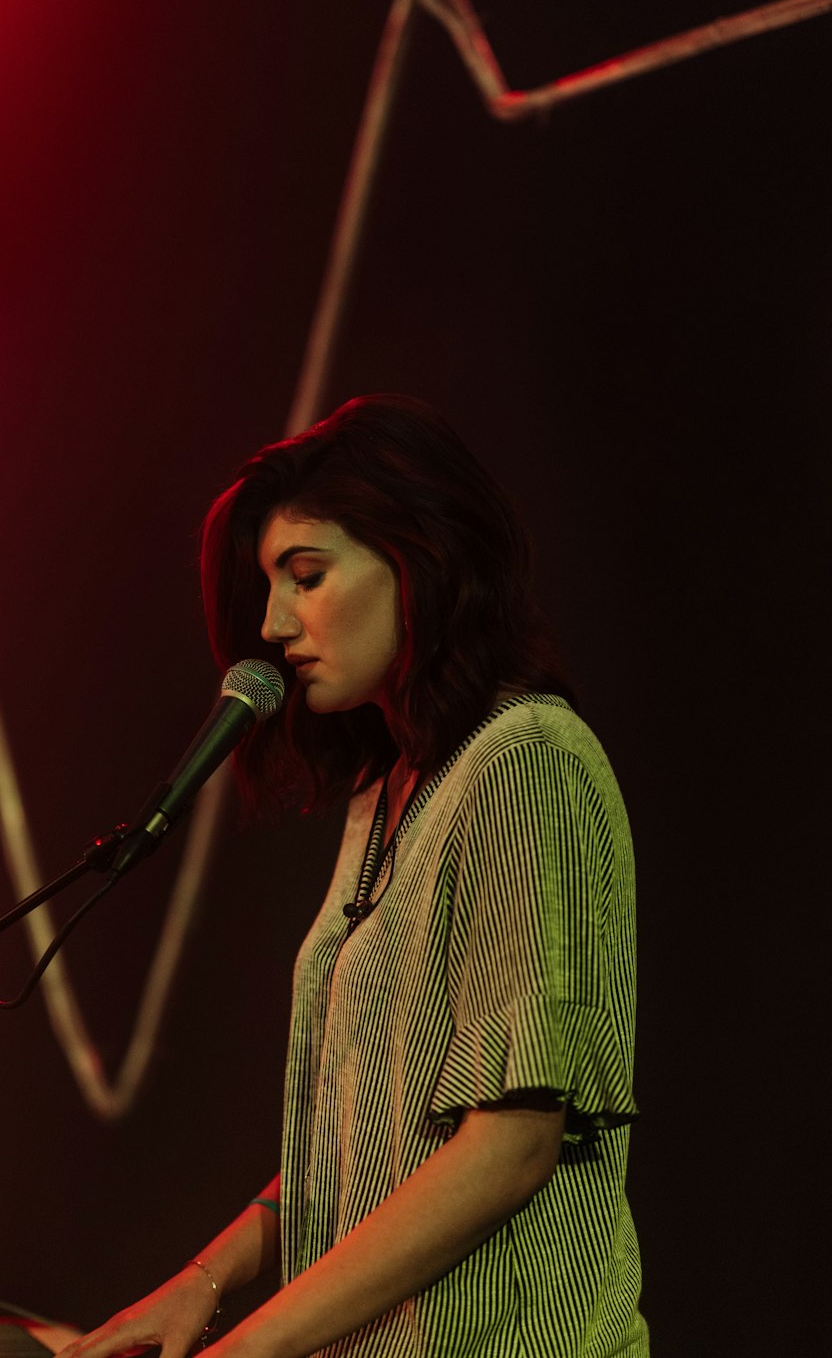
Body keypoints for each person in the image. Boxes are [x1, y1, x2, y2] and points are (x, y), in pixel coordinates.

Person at [58, 394, 648, 1357]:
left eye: (306, 574)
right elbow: (366, 1154)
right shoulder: (389, 790)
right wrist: (198, 1284)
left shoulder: (529, 756)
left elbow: (511, 1144)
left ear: (420, 562)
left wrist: (244, 1348)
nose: (273, 622)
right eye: (270, 585)